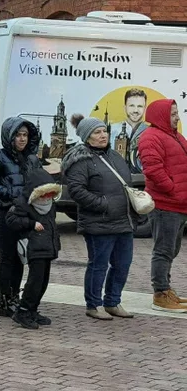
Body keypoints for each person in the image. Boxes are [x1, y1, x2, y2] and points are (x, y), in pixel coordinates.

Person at [63, 114, 136, 321]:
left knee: (123, 263)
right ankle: (93, 304)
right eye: (97, 132)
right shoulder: (80, 160)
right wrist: (103, 204)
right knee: (99, 264)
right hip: (98, 222)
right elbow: (76, 190)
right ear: (87, 136)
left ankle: (113, 302)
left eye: (104, 131)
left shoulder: (115, 156)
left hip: (122, 220)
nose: (103, 135)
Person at [0, 117, 41, 316]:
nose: (22, 139)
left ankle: (15, 295)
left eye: (25, 135)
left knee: (20, 255)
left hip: (24, 210)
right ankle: (5, 299)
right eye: (18, 135)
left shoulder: (31, 158)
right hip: (4, 210)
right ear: (10, 136)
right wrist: (7, 193)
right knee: (7, 256)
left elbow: (36, 179)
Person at [135, 99, 187, 313]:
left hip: (179, 204)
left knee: (172, 249)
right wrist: (173, 190)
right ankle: (160, 293)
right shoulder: (151, 137)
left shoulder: (173, 135)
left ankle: (166, 289)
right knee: (164, 250)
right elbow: (153, 170)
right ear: (161, 115)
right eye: (173, 114)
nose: (177, 117)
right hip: (167, 204)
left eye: (176, 113)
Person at [4, 169, 62, 330]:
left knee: (43, 281)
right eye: (45, 194)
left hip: (47, 246)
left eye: (51, 193)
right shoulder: (23, 203)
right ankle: (23, 311)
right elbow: (11, 219)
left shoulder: (50, 205)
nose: (48, 197)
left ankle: (32, 309)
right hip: (34, 246)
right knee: (35, 281)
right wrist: (30, 224)